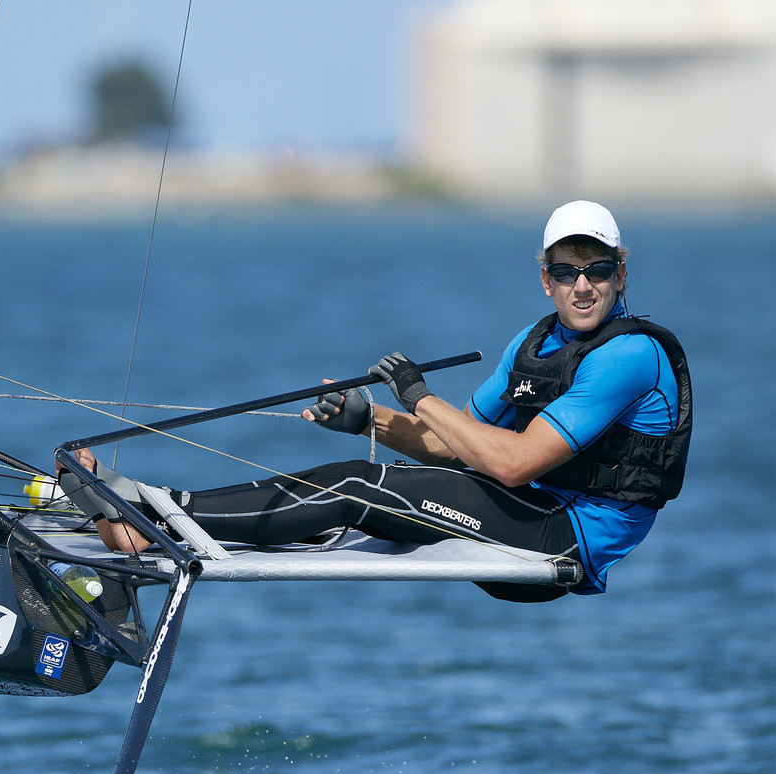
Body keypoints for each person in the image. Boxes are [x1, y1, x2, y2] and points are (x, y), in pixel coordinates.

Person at [64, 201, 691, 600]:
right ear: (544, 277)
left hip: (565, 542)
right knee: (360, 480)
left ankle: (151, 526)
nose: (582, 285)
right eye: (566, 270)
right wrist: (373, 418)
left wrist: (419, 395)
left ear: (622, 274)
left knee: (361, 490)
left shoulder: (629, 355)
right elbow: (460, 443)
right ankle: (165, 514)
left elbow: (511, 463)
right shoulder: (535, 342)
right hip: (526, 509)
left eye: (598, 269)